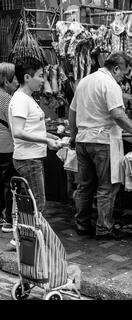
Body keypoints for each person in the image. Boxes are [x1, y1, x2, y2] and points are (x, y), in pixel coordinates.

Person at [69, 52, 132, 241]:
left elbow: (72, 112)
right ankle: (104, 229)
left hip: (83, 140)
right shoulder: (110, 84)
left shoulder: (84, 82)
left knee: (84, 186)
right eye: (124, 73)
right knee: (107, 187)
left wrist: (74, 135)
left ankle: (82, 225)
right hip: (102, 142)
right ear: (116, 69)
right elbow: (117, 114)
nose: (123, 77)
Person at [8, 57, 62, 246]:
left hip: (30, 158)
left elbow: (28, 129)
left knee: (30, 202)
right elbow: (19, 131)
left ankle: (23, 238)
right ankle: (29, 241)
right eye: (39, 76)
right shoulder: (22, 99)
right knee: (37, 202)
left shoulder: (25, 98)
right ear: (27, 77)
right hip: (29, 159)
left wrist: (48, 136)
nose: (42, 80)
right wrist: (45, 139)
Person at [0, 62, 19, 233]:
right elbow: (14, 126)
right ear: (6, 81)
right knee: (8, 182)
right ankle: (7, 219)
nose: (18, 83)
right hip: (5, 146)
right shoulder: (7, 99)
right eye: (15, 79)